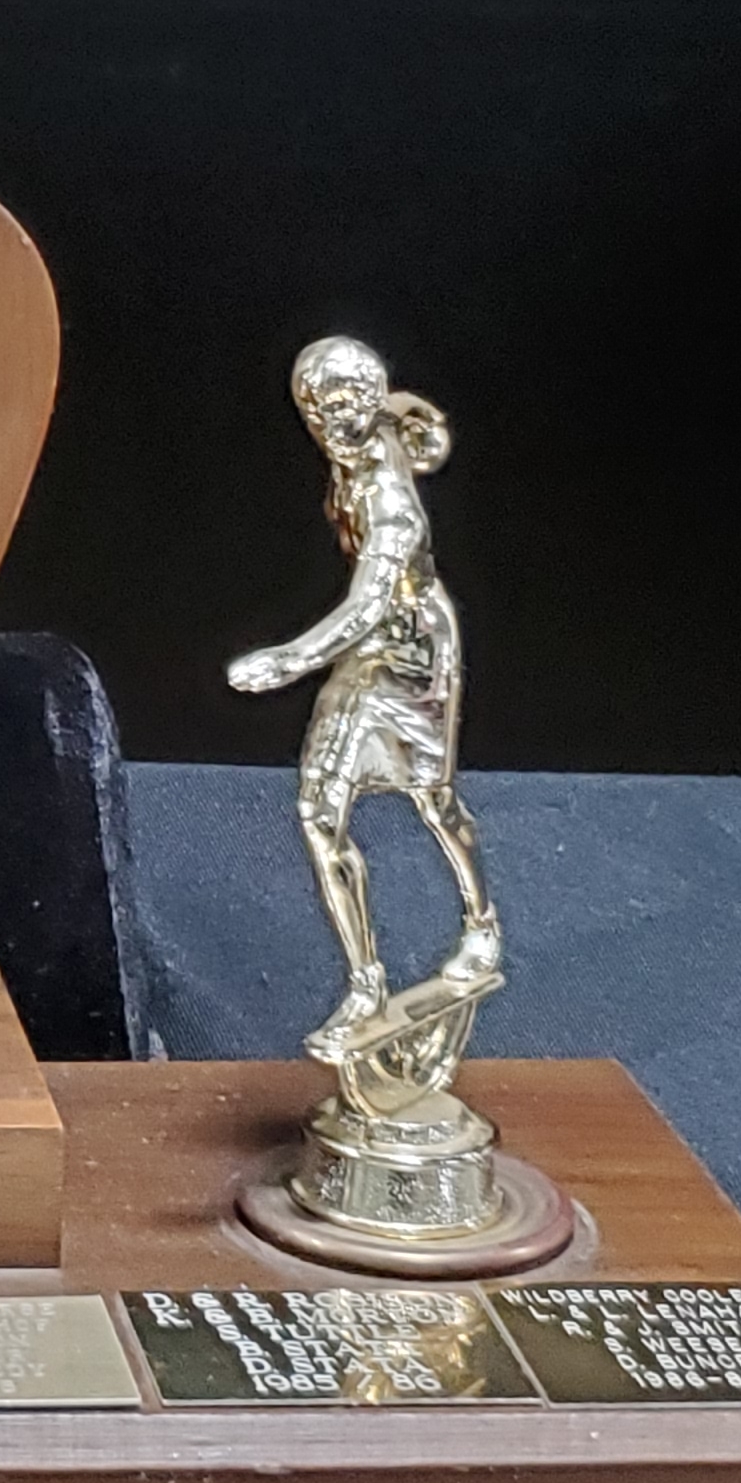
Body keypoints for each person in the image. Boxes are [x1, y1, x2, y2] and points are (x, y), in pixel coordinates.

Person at [227, 334, 503, 1062]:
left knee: (433, 800)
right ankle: (364, 983)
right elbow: (420, 428)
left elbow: (369, 606)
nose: (333, 420)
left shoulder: (388, 499)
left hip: (412, 653)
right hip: (365, 656)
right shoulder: (359, 443)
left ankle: (481, 925)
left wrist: (288, 660)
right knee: (320, 813)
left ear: (370, 399)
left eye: (349, 402)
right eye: (319, 408)